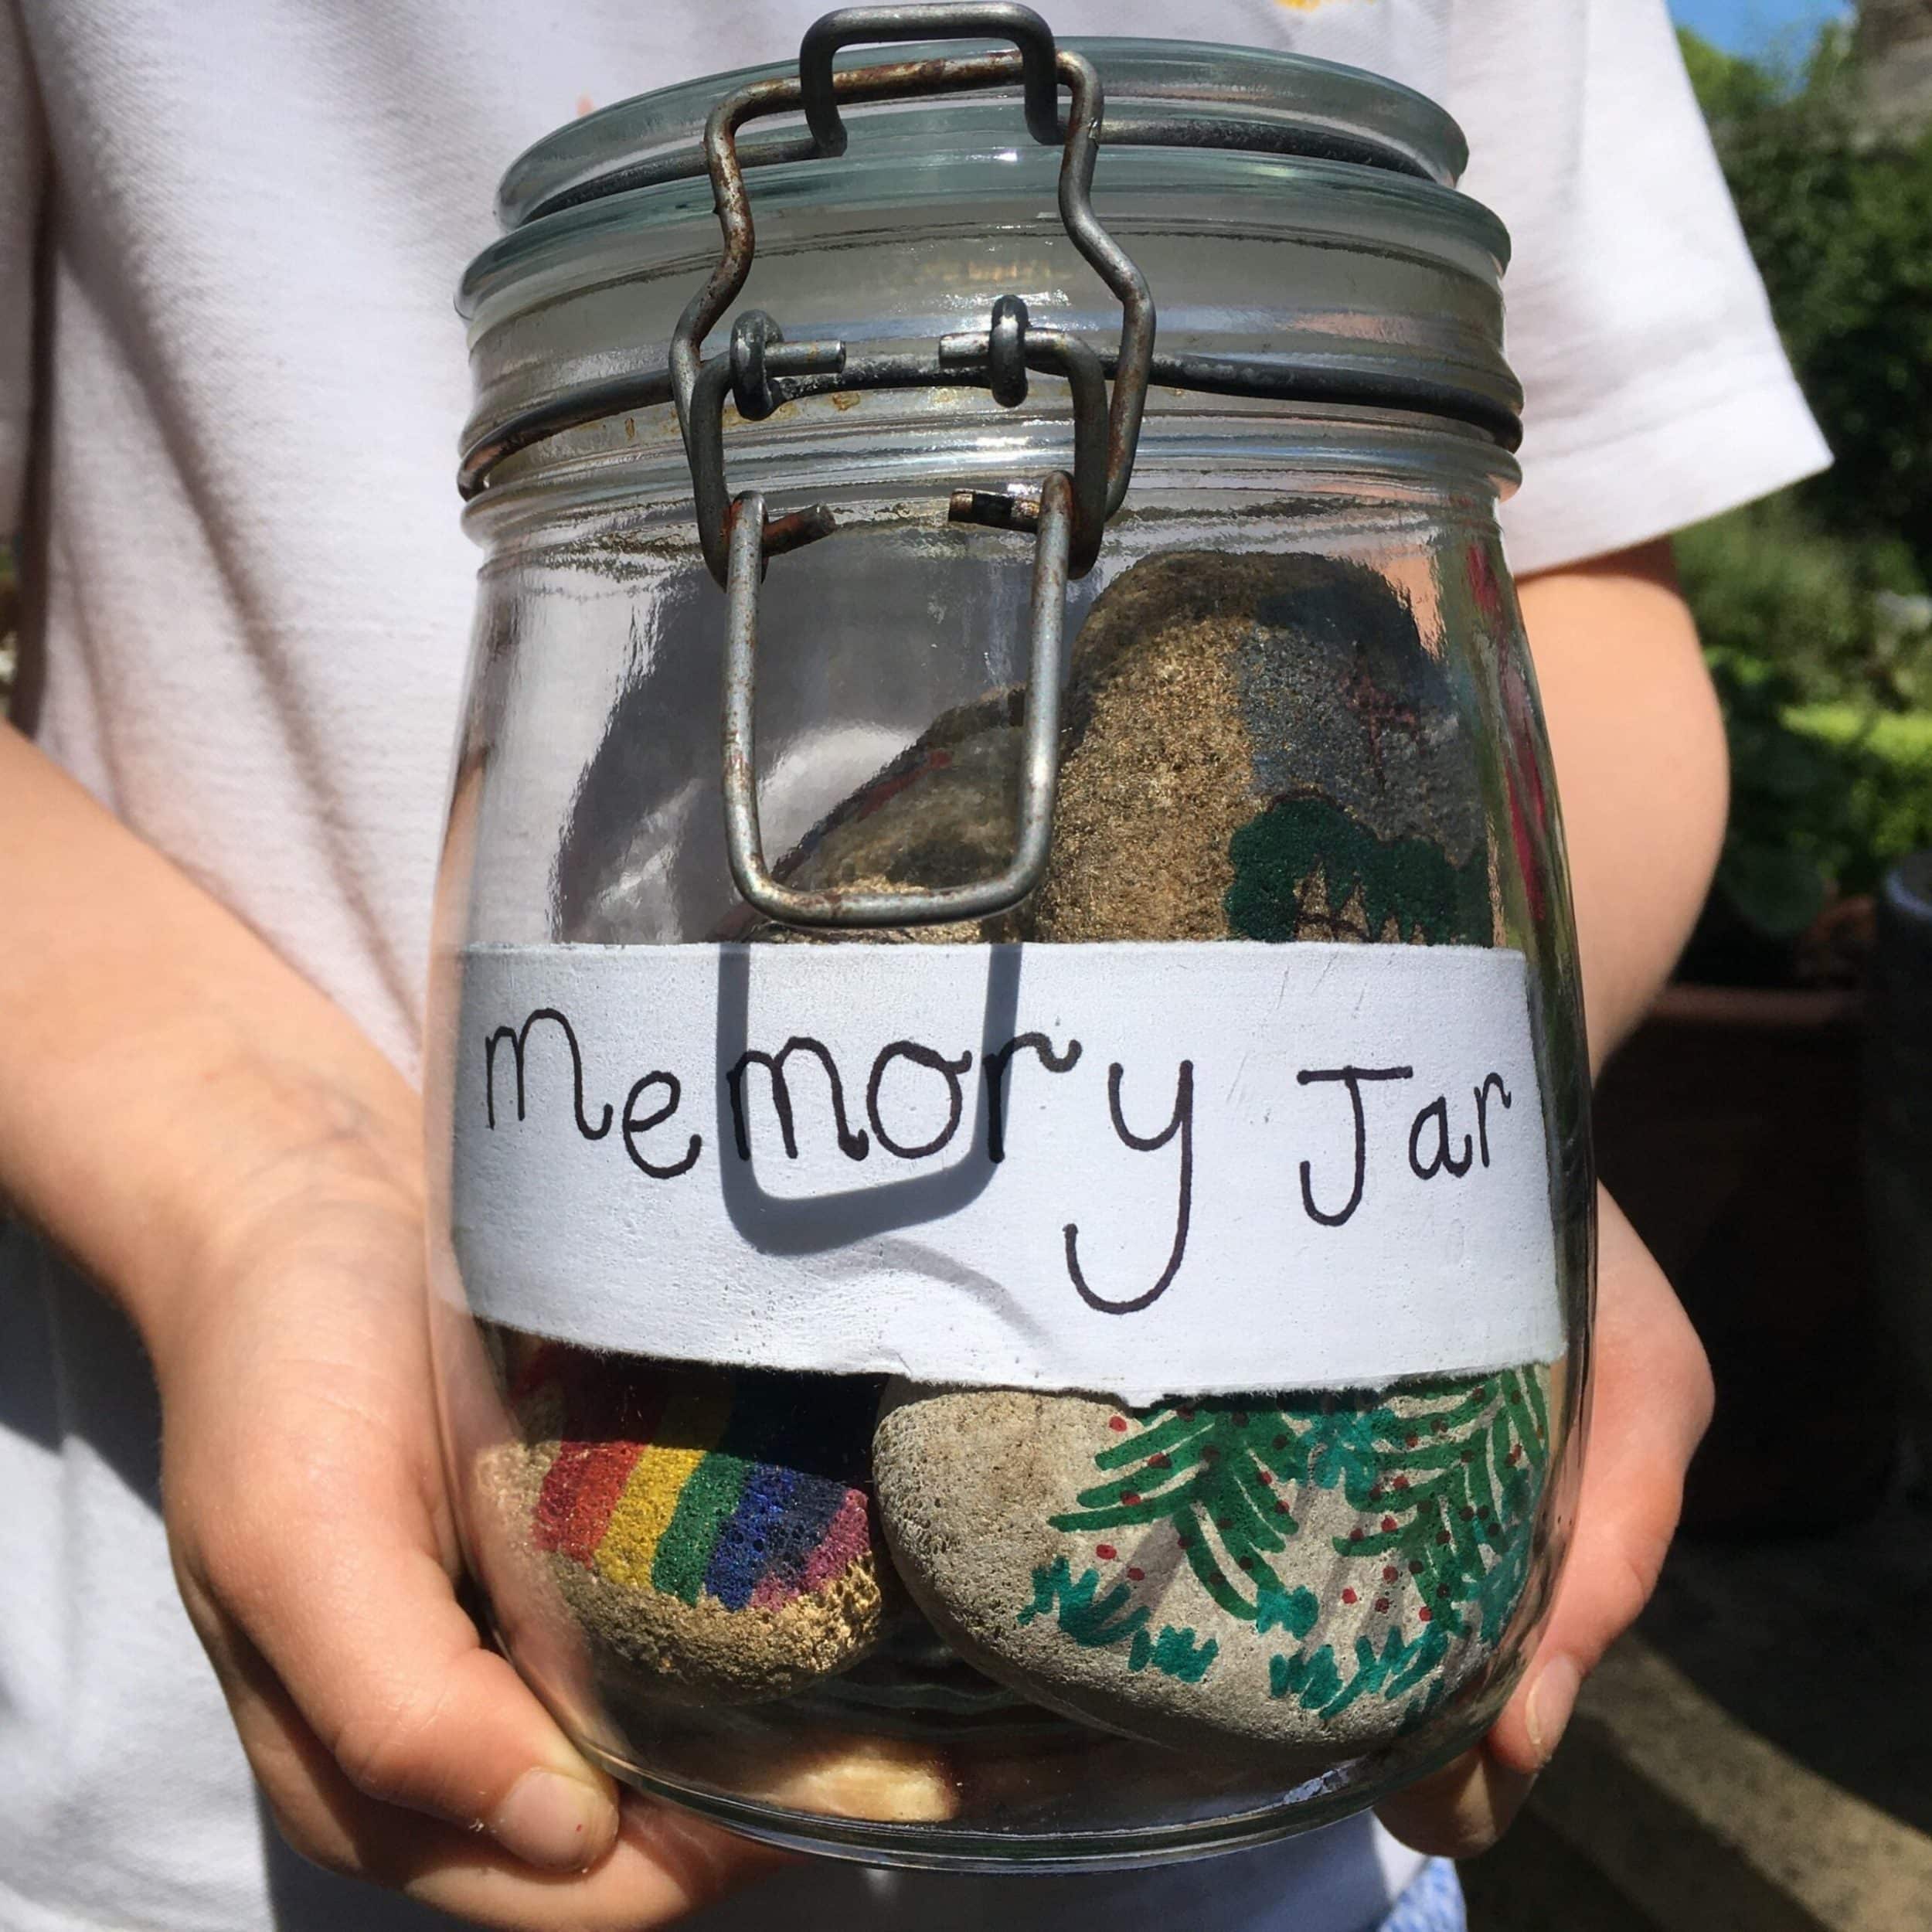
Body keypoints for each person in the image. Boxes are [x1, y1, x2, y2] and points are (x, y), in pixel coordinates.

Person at [0, 2, 1824, 1928]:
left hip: (1291, 1858)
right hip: (201, 1831)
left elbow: (1597, 616)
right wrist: (264, 1187)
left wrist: (1451, 1176)